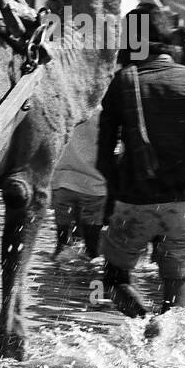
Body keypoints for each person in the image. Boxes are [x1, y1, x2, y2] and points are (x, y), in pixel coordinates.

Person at [97, 4, 185, 317]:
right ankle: (161, 336)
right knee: (176, 305)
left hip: (132, 202)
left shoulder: (120, 82)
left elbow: (104, 157)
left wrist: (111, 201)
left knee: (113, 281)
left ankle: (143, 321)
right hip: (183, 206)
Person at [50, 108, 106, 259]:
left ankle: (56, 272)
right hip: (93, 186)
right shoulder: (106, 113)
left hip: (62, 182)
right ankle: (86, 278)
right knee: (92, 253)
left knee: (61, 247)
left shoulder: (70, 107)